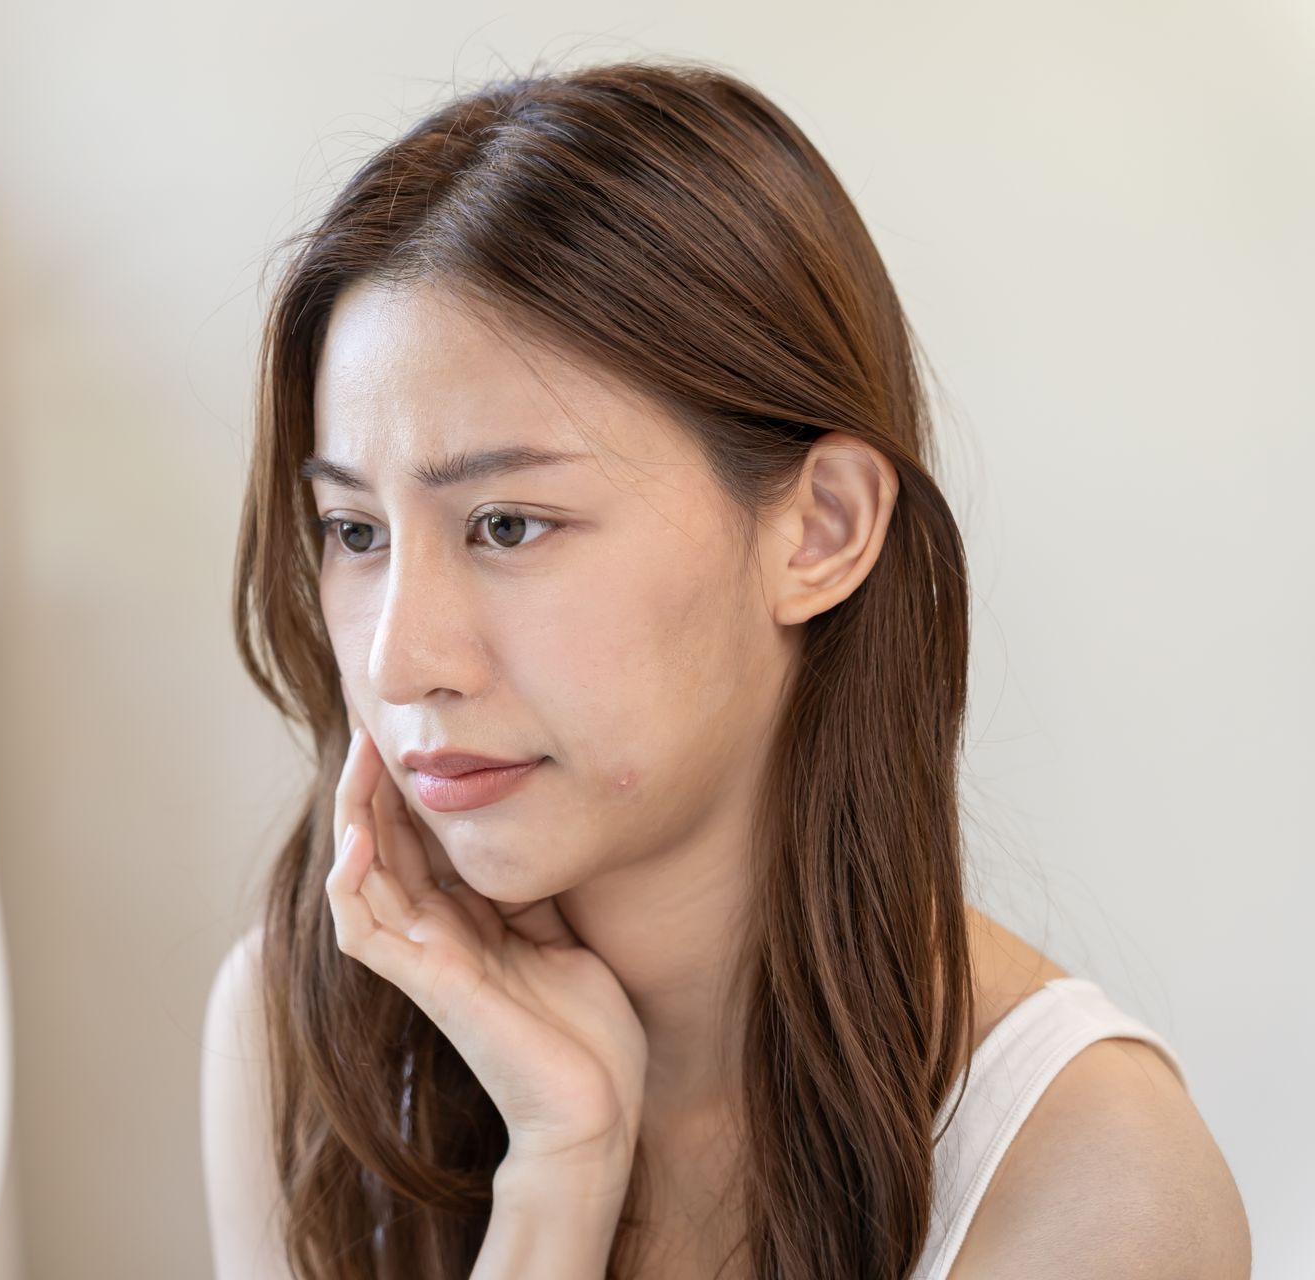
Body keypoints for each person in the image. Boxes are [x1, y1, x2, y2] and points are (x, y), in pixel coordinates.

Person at [201, 56, 1248, 1279]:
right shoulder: (308, 1029)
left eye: (506, 524)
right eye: (357, 534)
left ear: (821, 529)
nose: (400, 655)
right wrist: (560, 1169)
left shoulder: (1093, 1177)